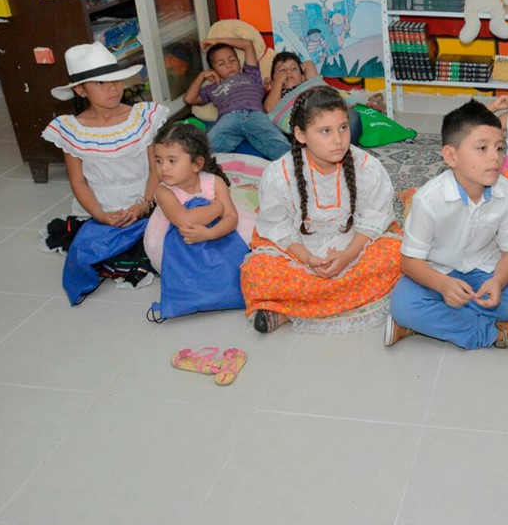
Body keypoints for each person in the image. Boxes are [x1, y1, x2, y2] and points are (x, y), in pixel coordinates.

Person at [386, 99, 508, 357]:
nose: (495, 157)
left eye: (500, 148)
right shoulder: (428, 199)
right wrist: (443, 285)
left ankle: (421, 325)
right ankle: (497, 333)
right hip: (436, 272)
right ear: (450, 156)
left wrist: (498, 281)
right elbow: (410, 262)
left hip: (482, 270)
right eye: (482, 148)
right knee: (403, 305)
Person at [240, 86, 401, 334]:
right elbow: (277, 226)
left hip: (356, 247)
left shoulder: (367, 167)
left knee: (396, 254)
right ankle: (346, 300)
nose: (338, 140)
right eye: (325, 131)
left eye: (343, 128)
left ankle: (289, 312)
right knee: (256, 273)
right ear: (301, 134)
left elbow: (373, 219)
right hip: (299, 252)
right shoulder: (278, 174)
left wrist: (347, 256)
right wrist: (308, 259)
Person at [42, 42, 169, 300]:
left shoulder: (142, 117)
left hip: (148, 199)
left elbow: (157, 168)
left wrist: (144, 204)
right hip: (102, 207)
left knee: (171, 242)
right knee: (97, 249)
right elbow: (78, 182)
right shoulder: (72, 129)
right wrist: (99, 214)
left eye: (116, 80)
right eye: (100, 83)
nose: (112, 88)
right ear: (80, 90)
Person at [143, 123, 255, 274]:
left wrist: (211, 234)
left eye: (172, 161)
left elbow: (231, 217)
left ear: (196, 164)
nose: (163, 168)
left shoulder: (215, 182)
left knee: (237, 261)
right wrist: (217, 207)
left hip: (217, 233)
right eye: (159, 161)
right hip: (179, 240)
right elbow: (185, 221)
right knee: (190, 271)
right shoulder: (164, 191)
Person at [184, 37, 291, 160]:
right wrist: (201, 76)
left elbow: (248, 44)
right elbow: (189, 99)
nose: (229, 65)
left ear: (239, 62)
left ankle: (302, 170)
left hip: (255, 115)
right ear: (213, 70)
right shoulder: (213, 88)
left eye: (232, 60)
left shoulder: (251, 74)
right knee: (204, 149)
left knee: (280, 144)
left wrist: (218, 41)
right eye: (221, 63)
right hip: (229, 118)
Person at [264, 50, 363, 145]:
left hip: (326, 113)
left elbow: (309, 64)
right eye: (282, 70)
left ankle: (343, 151)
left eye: (294, 69)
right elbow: (270, 109)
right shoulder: (277, 93)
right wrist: (277, 82)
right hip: (307, 125)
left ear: (303, 77)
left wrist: (290, 69)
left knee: (352, 116)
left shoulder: (310, 83)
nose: (288, 72)